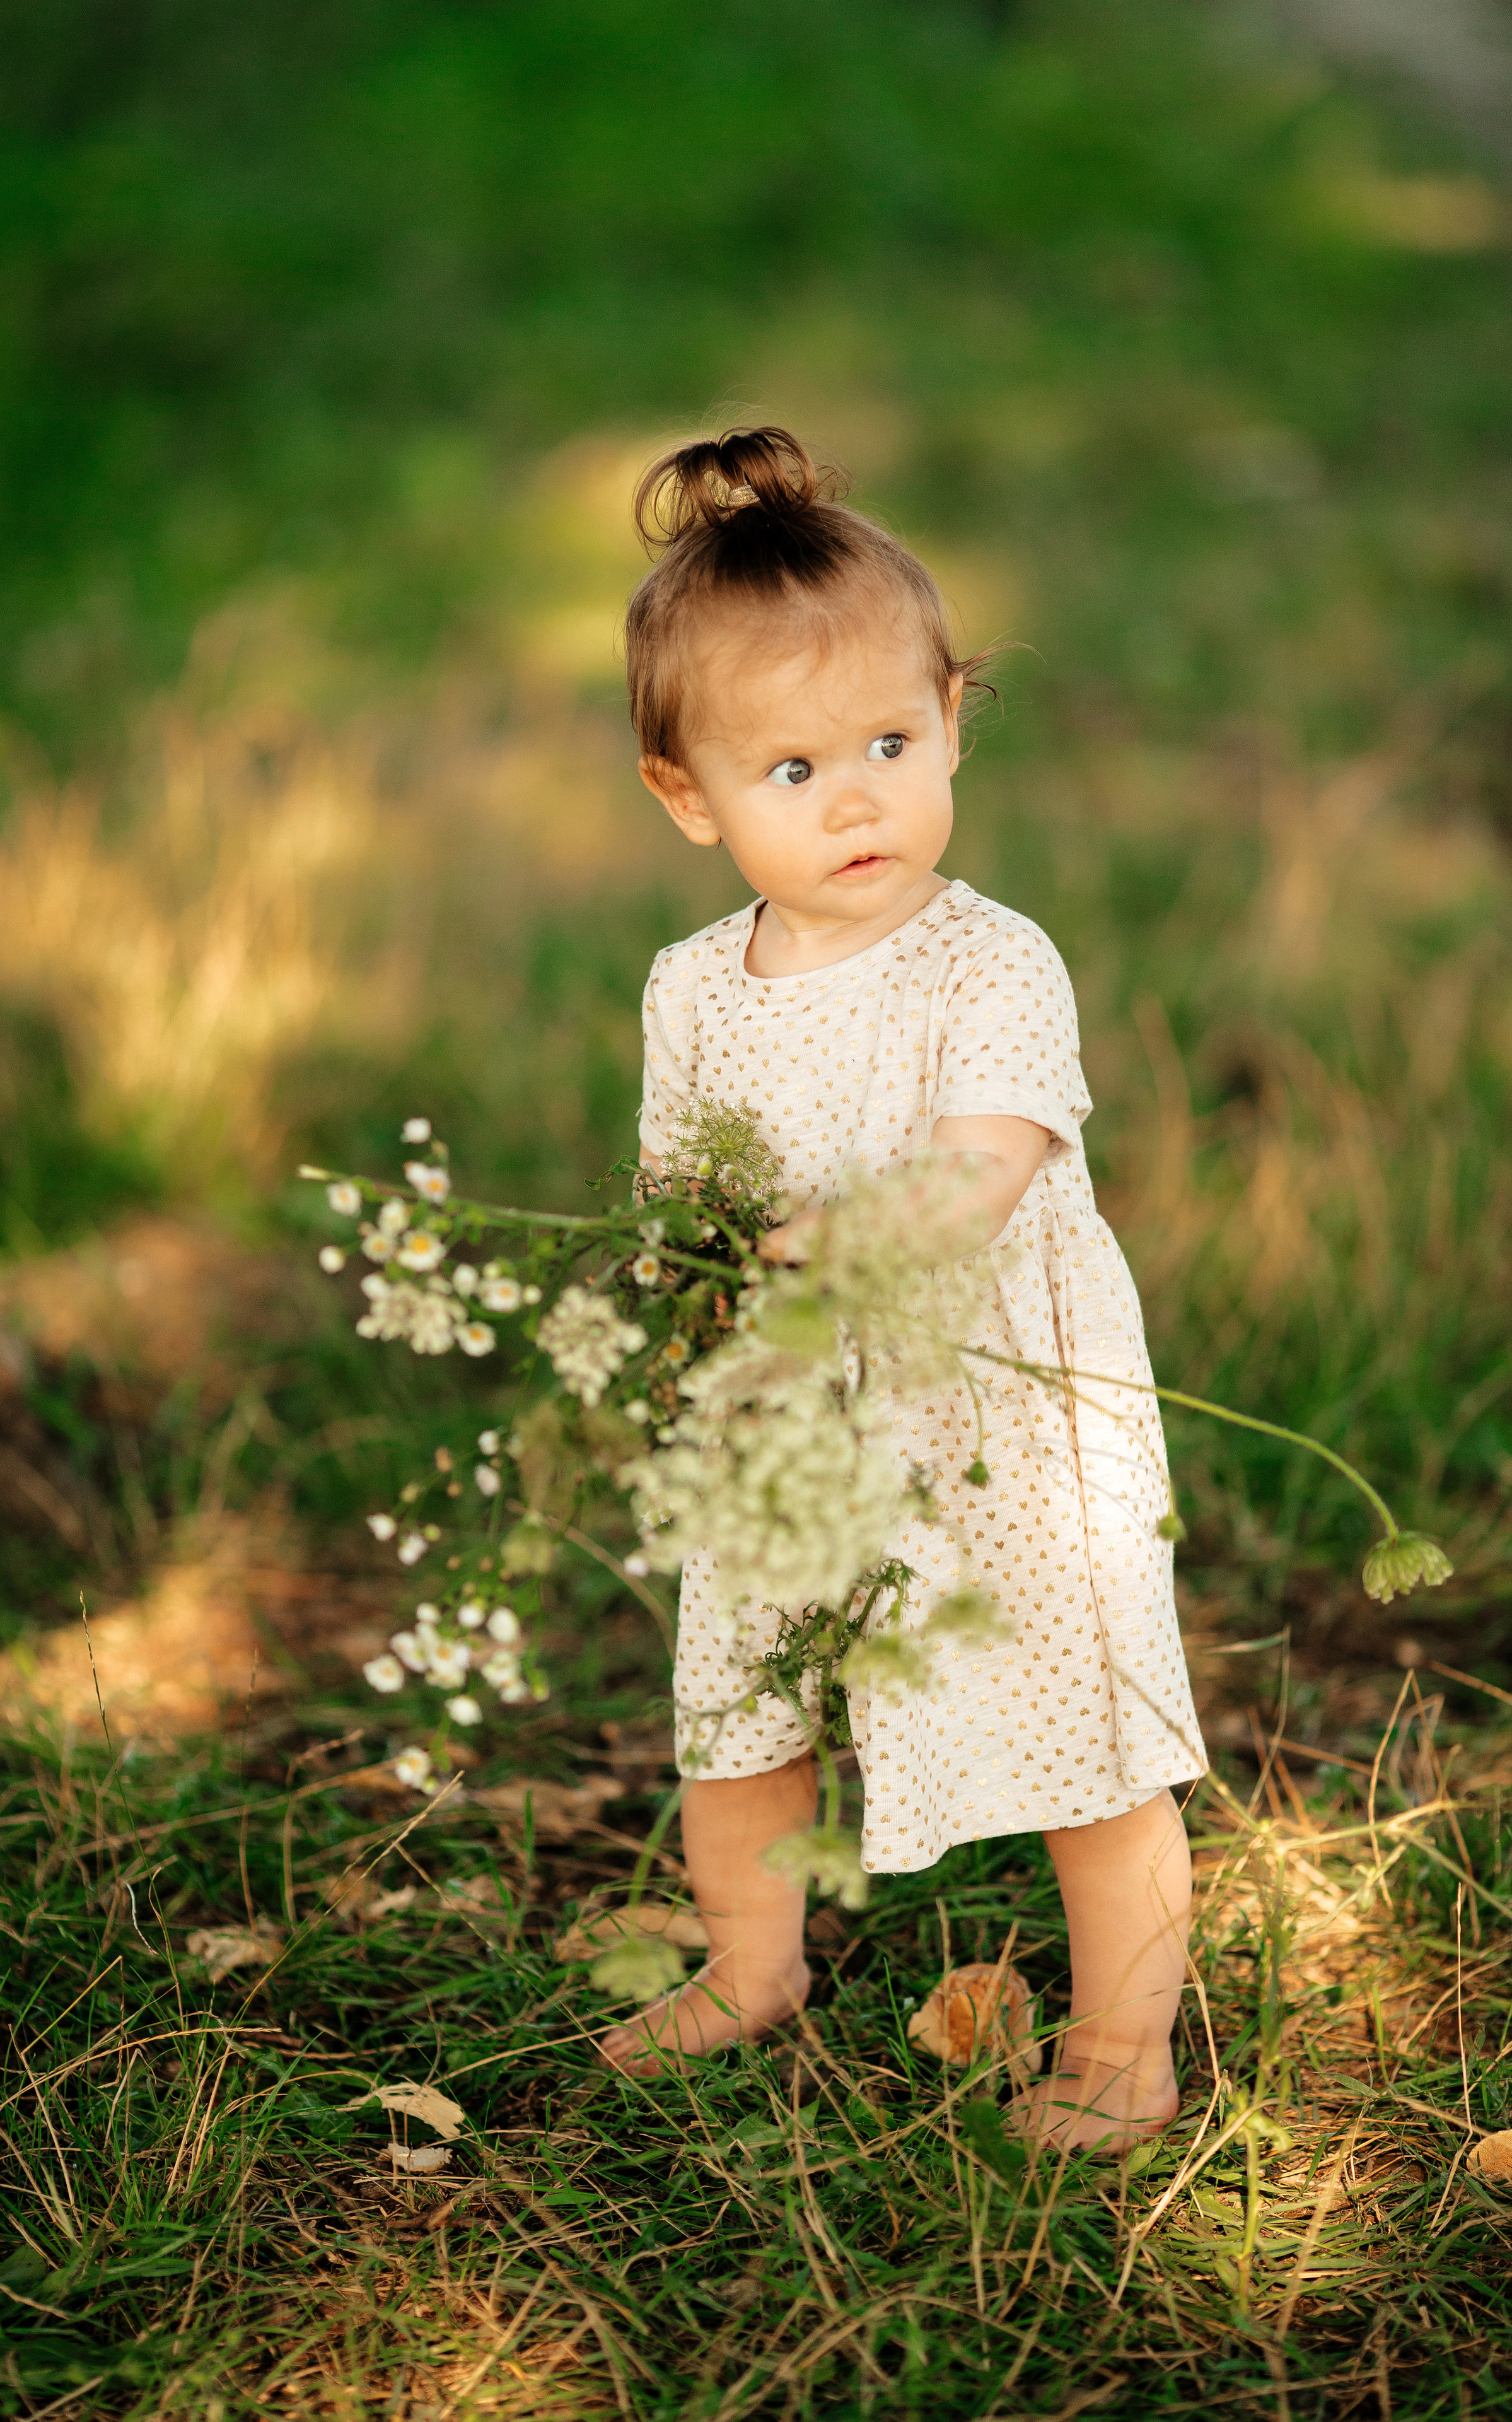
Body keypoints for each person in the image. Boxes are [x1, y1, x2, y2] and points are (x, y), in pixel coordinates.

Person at [597, 427, 1207, 2150]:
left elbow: (981, 1170)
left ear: (952, 718)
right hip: (790, 1414)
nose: (857, 797)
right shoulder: (693, 988)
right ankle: (751, 1963)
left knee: (1084, 1724)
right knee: (740, 1704)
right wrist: (694, 1287)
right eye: (793, 768)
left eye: (890, 742)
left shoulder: (991, 959)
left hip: (996, 1415)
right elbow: (680, 1199)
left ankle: (1123, 2040)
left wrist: (840, 1243)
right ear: (689, 799)